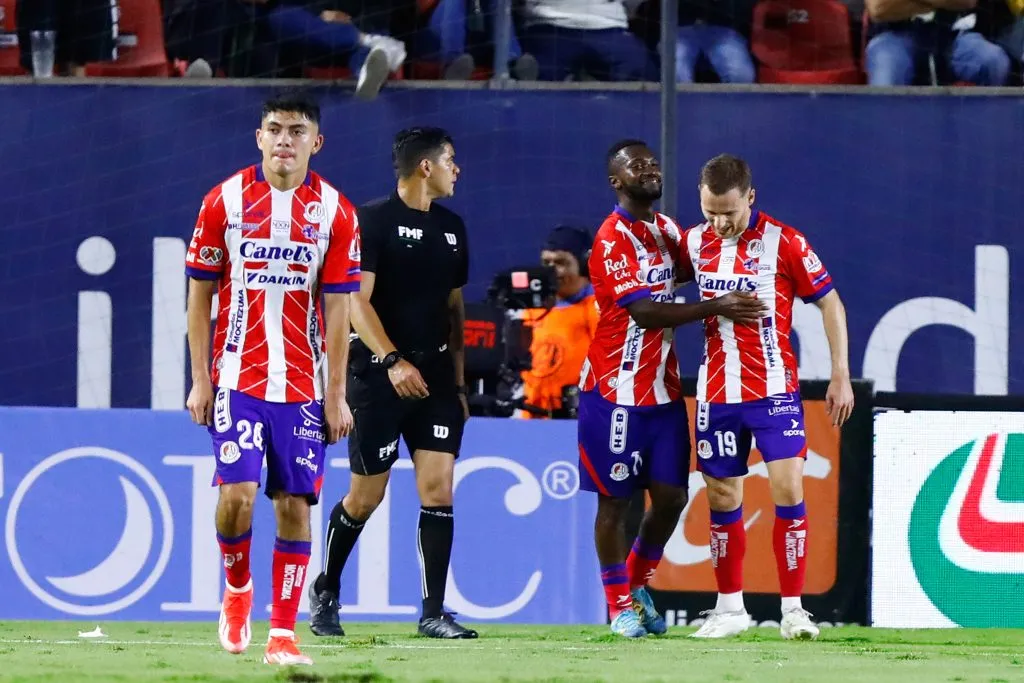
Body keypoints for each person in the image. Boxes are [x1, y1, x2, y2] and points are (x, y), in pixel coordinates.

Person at [184, 91, 361, 666]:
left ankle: (282, 633)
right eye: (275, 129)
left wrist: (336, 395)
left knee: (294, 507)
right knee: (235, 497)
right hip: (237, 377)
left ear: (317, 141)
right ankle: (238, 588)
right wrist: (199, 380)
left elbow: (338, 309)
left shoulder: (335, 210)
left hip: (304, 389)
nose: (285, 140)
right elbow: (199, 297)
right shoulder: (223, 201)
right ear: (259, 137)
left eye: (297, 130)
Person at [577, 140, 767, 638]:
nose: (650, 170)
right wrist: (717, 306)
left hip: (662, 391)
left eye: (653, 162)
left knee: (670, 497)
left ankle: (636, 585)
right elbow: (645, 313)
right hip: (614, 390)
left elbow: (701, 264)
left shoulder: (665, 231)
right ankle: (619, 605)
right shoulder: (612, 238)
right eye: (636, 166)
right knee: (614, 502)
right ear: (616, 181)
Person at [308, 127, 477, 639]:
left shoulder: (453, 227)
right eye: (451, 160)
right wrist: (393, 361)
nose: (457, 169)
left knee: (438, 490)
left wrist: (461, 385)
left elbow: (454, 307)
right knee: (366, 497)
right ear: (426, 167)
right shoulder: (371, 220)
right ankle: (326, 589)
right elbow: (356, 301)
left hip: (436, 381)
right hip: (380, 378)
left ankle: (432, 612)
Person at [682, 154, 855, 640]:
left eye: (729, 213)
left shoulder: (785, 241)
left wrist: (840, 374)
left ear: (750, 199)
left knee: (788, 487)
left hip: (773, 391)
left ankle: (795, 611)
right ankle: (729, 609)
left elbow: (830, 301)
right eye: (710, 211)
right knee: (721, 495)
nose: (719, 223)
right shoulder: (694, 242)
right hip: (716, 392)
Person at [519, 225, 599, 418]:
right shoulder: (531, 308)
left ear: (583, 264)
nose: (553, 271)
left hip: (582, 416)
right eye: (547, 263)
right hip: (532, 416)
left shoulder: (598, 306)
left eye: (561, 262)